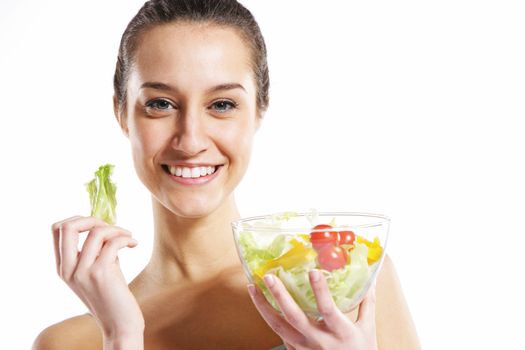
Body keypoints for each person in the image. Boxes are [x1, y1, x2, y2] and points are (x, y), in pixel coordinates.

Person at [33, 0, 420, 349]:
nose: (191, 140)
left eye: (221, 104)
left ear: (259, 111)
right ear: (121, 113)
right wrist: (121, 335)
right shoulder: (68, 343)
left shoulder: (347, 279)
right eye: (161, 104)